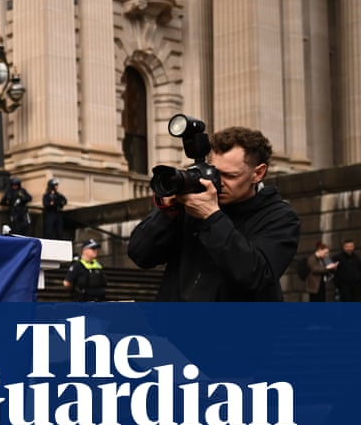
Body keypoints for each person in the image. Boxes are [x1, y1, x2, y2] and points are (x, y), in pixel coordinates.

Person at [127, 126, 300, 301]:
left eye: (230, 176)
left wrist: (212, 217)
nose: (218, 182)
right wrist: (167, 214)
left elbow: (255, 276)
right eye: (214, 172)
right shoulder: (192, 205)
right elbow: (140, 254)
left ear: (258, 173)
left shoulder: (280, 217)